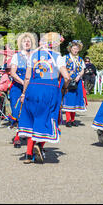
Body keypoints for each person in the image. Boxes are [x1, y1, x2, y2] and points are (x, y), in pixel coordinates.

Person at [17, 32, 70, 164]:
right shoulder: (58, 57)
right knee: (49, 118)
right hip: (49, 90)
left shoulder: (33, 55)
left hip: (33, 89)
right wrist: (64, 88)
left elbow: (27, 78)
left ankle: (29, 155)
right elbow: (67, 77)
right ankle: (39, 145)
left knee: (32, 119)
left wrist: (23, 93)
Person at [9, 32, 36, 148]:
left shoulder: (35, 56)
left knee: (28, 112)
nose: (27, 42)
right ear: (21, 44)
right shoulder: (16, 56)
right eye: (25, 41)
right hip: (17, 88)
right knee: (17, 112)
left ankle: (25, 136)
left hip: (30, 89)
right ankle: (17, 137)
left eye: (29, 41)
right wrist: (24, 82)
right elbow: (12, 73)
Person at [61, 40, 88, 127]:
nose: (75, 50)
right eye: (74, 48)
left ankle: (73, 120)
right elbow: (62, 68)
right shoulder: (65, 57)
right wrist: (68, 74)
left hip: (77, 81)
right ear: (70, 49)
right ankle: (68, 120)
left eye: (77, 48)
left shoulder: (80, 59)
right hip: (68, 81)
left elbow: (82, 70)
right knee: (68, 99)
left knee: (75, 100)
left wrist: (79, 76)